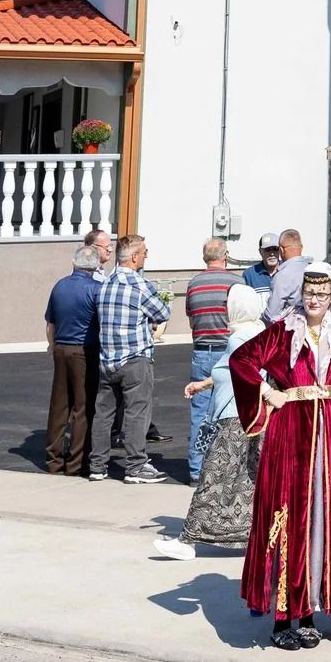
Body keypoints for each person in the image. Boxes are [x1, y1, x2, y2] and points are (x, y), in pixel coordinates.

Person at [229, 261, 331, 648]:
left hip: (328, 434)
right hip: (291, 433)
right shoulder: (283, 331)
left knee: (320, 517)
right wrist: (269, 393)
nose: (314, 300)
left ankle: (308, 612)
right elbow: (241, 360)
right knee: (291, 514)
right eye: (308, 292)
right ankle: (283, 618)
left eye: (321, 293)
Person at [154, 284, 267, 558]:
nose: (225, 307)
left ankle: (187, 541)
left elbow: (247, 375)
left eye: (229, 302)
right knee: (248, 479)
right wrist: (204, 384)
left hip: (236, 417)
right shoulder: (256, 332)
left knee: (213, 479)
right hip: (250, 417)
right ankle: (257, 535)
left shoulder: (241, 338)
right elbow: (231, 370)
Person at [88, 234, 170, 485]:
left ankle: (97, 466)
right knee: (137, 413)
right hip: (135, 358)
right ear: (134, 257)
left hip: (107, 359)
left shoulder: (105, 284)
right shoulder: (140, 285)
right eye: (144, 252)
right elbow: (163, 312)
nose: (146, 256)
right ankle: (135, 466)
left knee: (103, 414)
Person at [184, 238, 241, 483]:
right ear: (225, 256)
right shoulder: (236, 283)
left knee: (200, 412)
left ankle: (196, 469)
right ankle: (225, 466)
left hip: (201, 350)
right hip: (227, 351)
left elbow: (191, 319)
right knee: (229, 411)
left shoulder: (194, 283)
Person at [44, 244, 101, 476]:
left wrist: (52, 346)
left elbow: (50, 323)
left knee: (59, 405)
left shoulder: (59, 286)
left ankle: (53, 460)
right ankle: (76, 463)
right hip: (84, 351)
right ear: (96, 266)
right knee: (82, 407)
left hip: (61, 347)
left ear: (74, 263)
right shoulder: (97, 289)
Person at [263, 229, 311, 325]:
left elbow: (271, 314)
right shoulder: (312, 269)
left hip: (293, 328)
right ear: (301, 247)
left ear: (281, 250)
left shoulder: (282, 275)